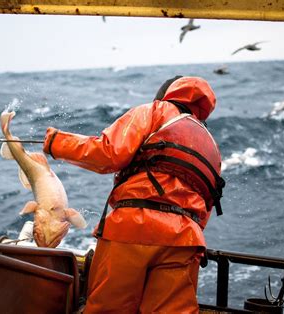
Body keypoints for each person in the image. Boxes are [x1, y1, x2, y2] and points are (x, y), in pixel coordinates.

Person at [42, 76, 225, 313]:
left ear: (165, 94)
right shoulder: (210, 143)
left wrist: (56, 143)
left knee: (109, 308)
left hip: (133, 229)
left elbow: (108, 153)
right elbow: (207, 204)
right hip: (185, 240)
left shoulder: (154, 111)